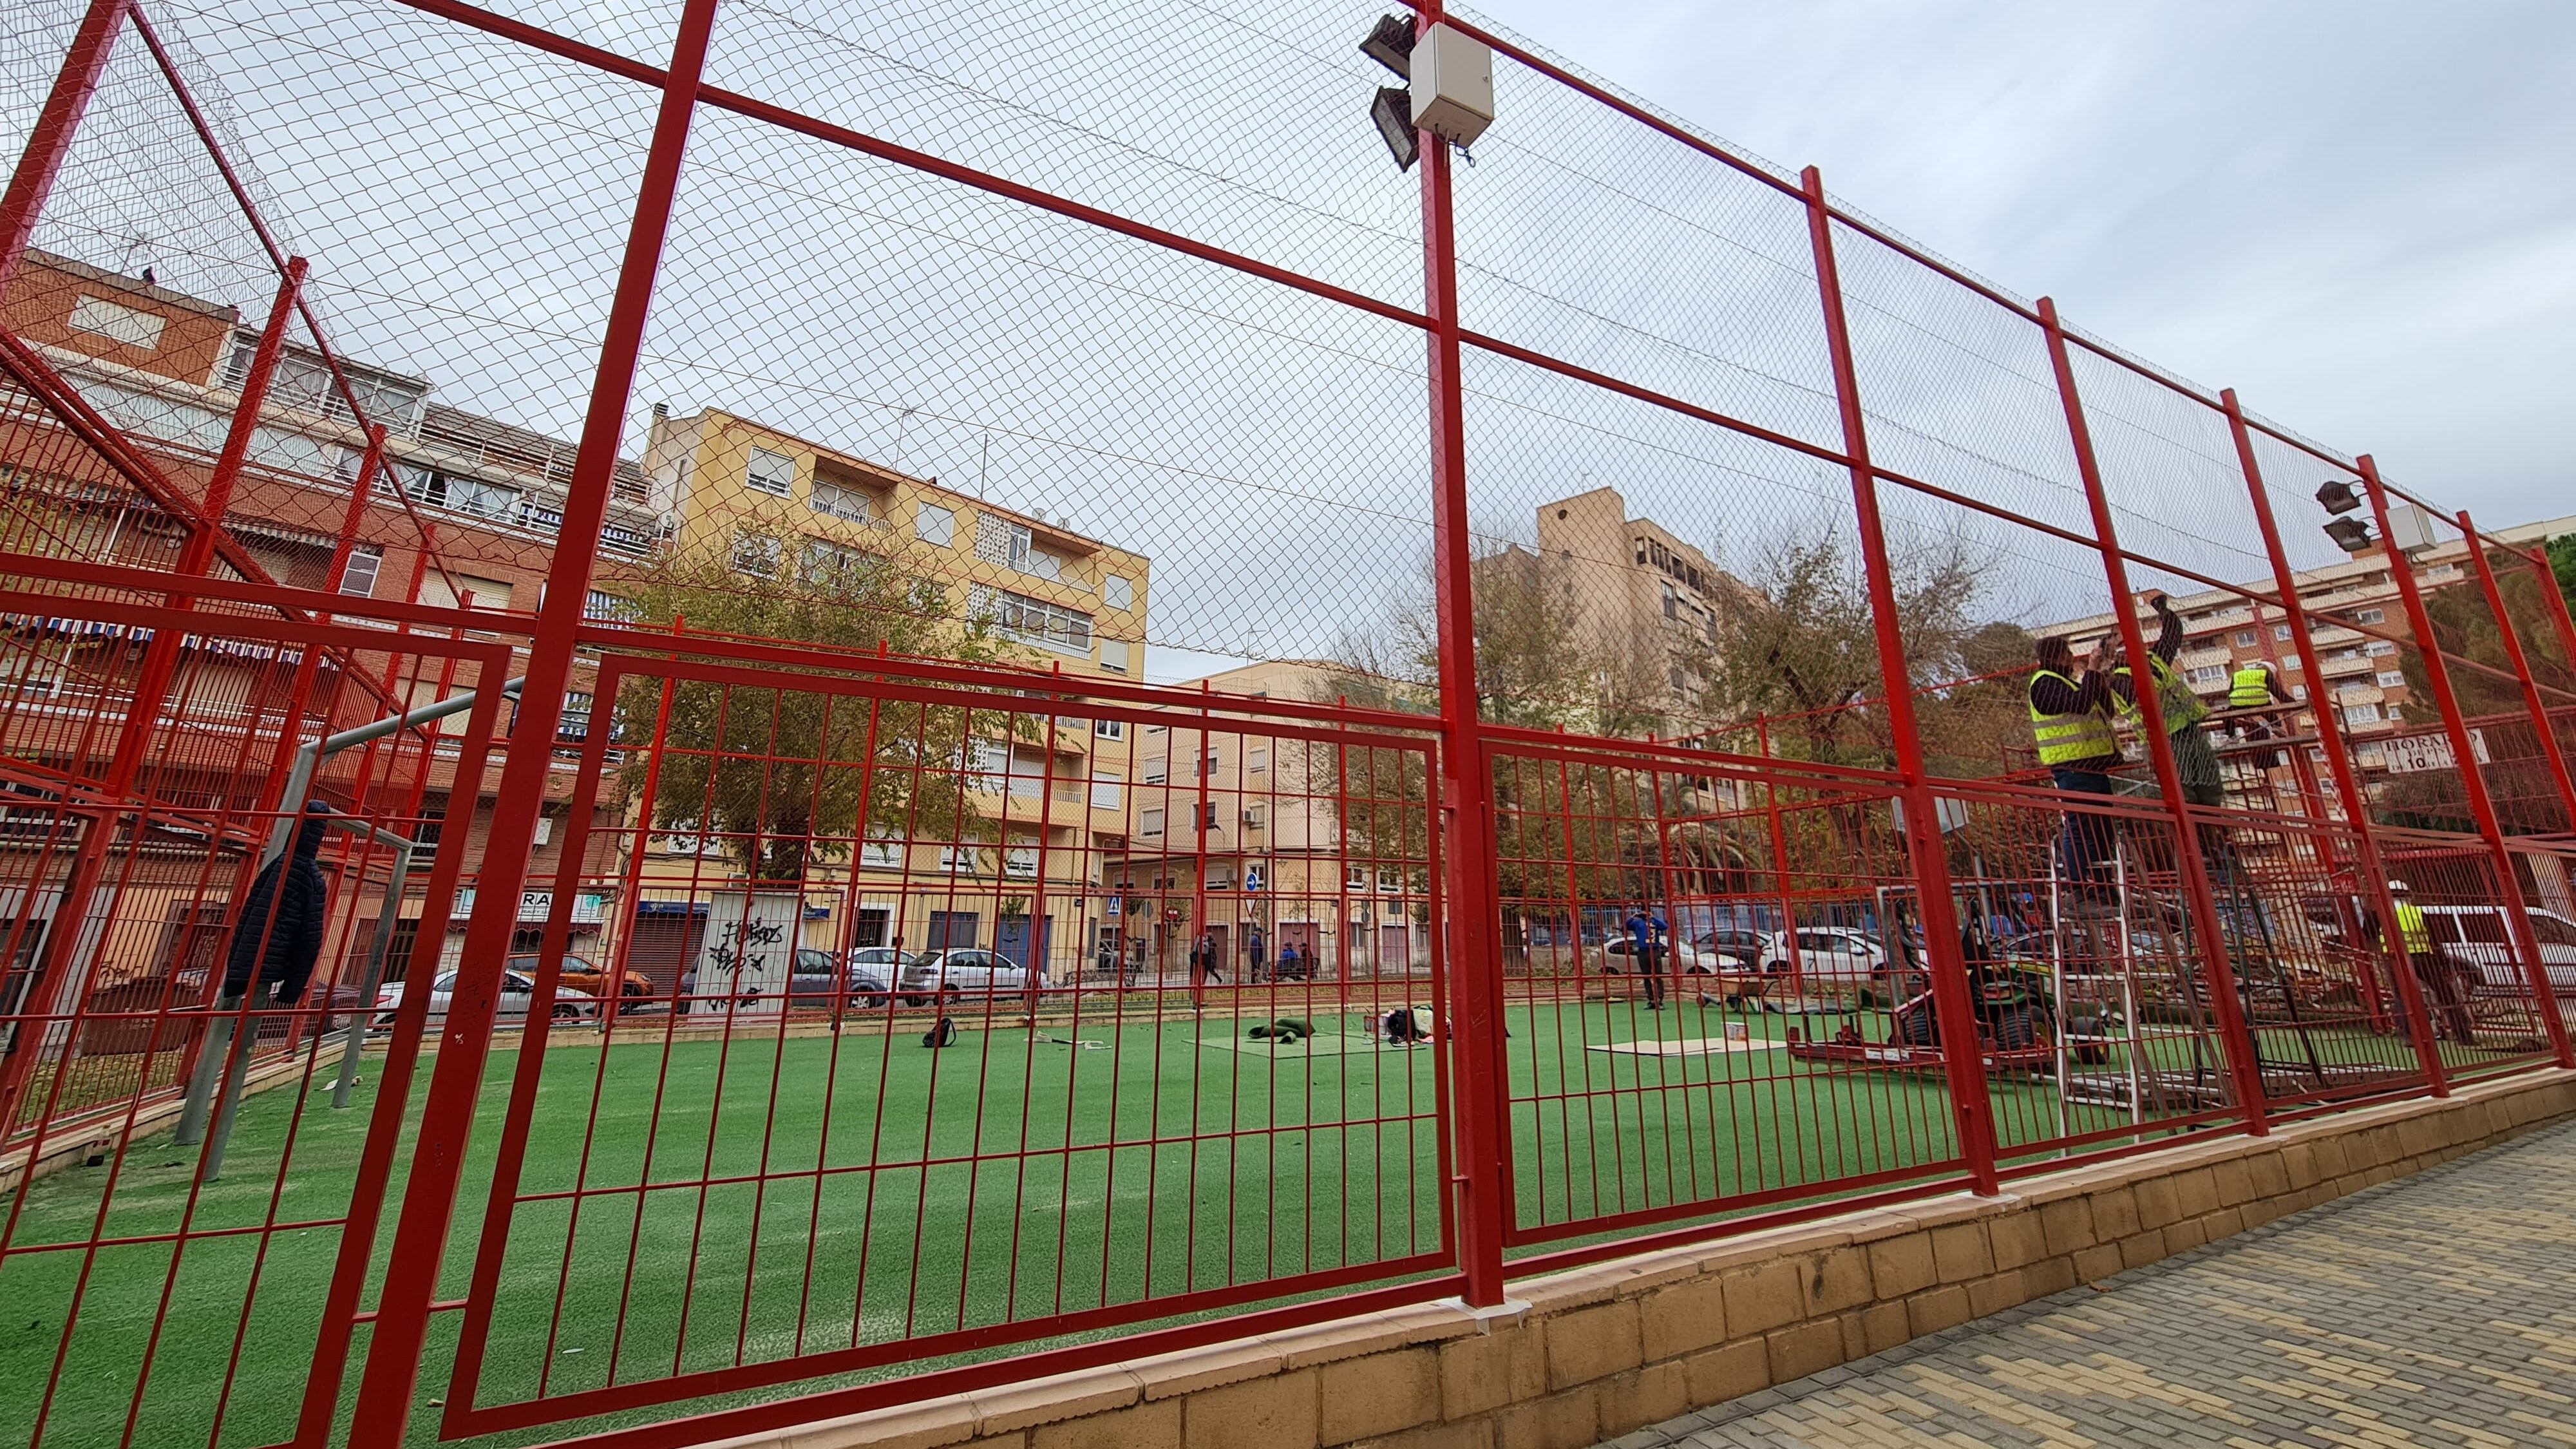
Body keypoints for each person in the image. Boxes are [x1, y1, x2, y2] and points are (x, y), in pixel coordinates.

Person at [2027, 634, 2121, 900]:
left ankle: (2103, 886)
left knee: (2102, 829)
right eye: (2066, 653)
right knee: (2081, 828)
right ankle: (2080, 886)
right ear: (2057, 658)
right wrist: (2091, 669)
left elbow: (2101, 709)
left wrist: (2099, 675)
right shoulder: (2044, 684)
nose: (2071, 658)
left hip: (2091, 765)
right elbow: (2080, 706)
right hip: (2072, 767)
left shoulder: (2065, 683)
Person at [2108, 595, 2222, 810]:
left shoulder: (2153, 659)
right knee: (2186, 797)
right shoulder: (2120, 678)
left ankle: (2215, 838)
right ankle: (2201, 839)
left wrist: (2163, 610)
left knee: (2210, 792)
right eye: (2120, 639)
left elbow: (2172, 635)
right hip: (2165, 742)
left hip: (2188, 731)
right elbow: (2141, 697)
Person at [223, 801, 331, 1010]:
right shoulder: (310, 876)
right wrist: (292, 988)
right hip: (274, 963)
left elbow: (249, 917)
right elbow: (311, 938)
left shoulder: (277, 866)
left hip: (251, 962)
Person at [2389, 880, 2473, 1045]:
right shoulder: (2418, 913)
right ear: (2408, 896)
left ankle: (2411, 1037)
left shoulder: (2383, 914)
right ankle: (2464, 1036)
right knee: (2446, 995)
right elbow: (2434, 940)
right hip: (2424, 958)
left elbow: (2369, 937)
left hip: (2397, 959)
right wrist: (2442, 962)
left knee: (2402, 998)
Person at [1622, 904, 1670, 1010]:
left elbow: (1665, 926)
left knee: (1658, 976)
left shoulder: (1654, 922)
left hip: (1654, 950)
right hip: (1643, 952)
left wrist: (1653, 917)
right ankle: (1651, 1000)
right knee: (1646, 977)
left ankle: (1659, 1000)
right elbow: (1625, 926)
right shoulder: (1637, 923)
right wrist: (1632, 917)